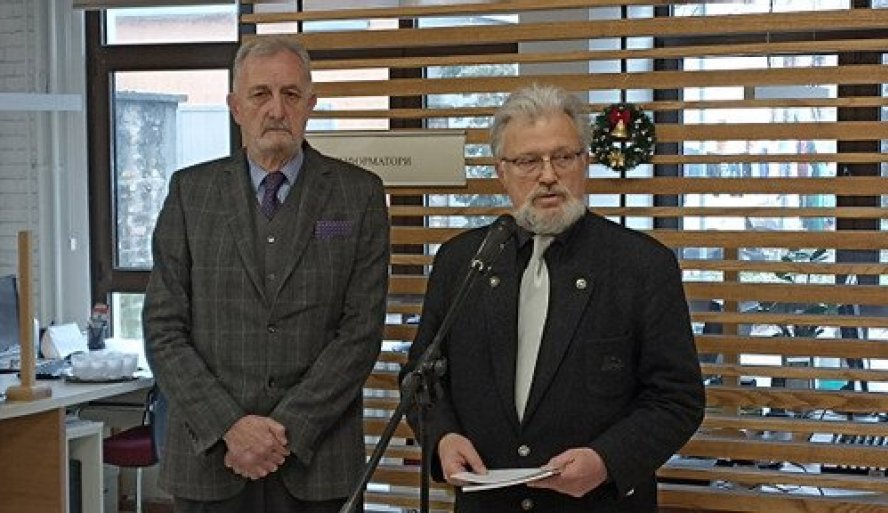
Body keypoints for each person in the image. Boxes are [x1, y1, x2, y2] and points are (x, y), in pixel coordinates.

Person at [400, 84, 704, 513]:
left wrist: (606, 461)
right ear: (501, 172)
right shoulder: (461, 261)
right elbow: (421, 379)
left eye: (563, 157)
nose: (547, 175)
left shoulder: (642, 265)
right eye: (528, 161)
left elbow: (677, 399)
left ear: (585, 163)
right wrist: (443, 438)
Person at [143, 36, 389, 513]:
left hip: (318, 463)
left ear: (310, 105)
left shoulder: (357, 195)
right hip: (211, 459)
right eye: (260, 94)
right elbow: (163, 327)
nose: (277, 109)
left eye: (291, 94)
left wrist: (284, 431)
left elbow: (360, 333)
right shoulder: (191, 193)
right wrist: (230, 427)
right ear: (236, 106)